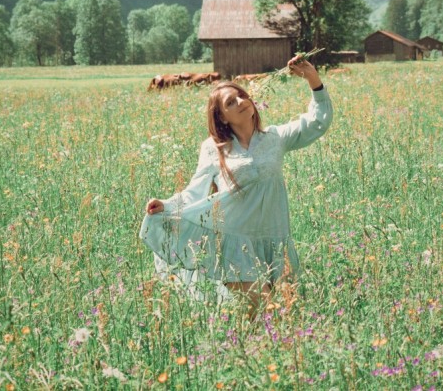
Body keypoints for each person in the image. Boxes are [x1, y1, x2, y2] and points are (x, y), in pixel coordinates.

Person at [139, 55, 332, 314]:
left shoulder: (275, 138)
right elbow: (195, 192)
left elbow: (318, 122)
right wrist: (166, 205)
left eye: (242, 96)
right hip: (234, 244)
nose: (241, 101)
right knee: (267, 312)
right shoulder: (214, 149)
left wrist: (313, 80)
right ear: (222, 117)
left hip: (275, 241)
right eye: (231, 102)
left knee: (283, 318)